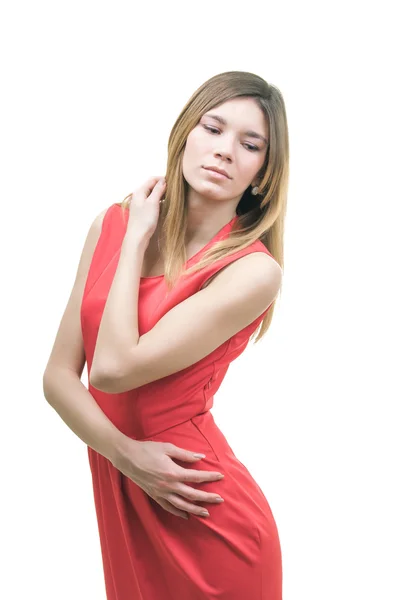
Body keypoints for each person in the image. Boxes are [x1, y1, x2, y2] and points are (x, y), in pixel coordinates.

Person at [43, 70, 288, 600]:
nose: (225, 151)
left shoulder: (252, 271)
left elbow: (110, 369)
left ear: (263, 174)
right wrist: (125, 455)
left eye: (250, 145)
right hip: (131, 480)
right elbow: (58, 377)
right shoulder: (112, 223)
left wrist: (134, 243)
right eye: (213, 128)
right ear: (184, 134)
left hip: (202, 508)